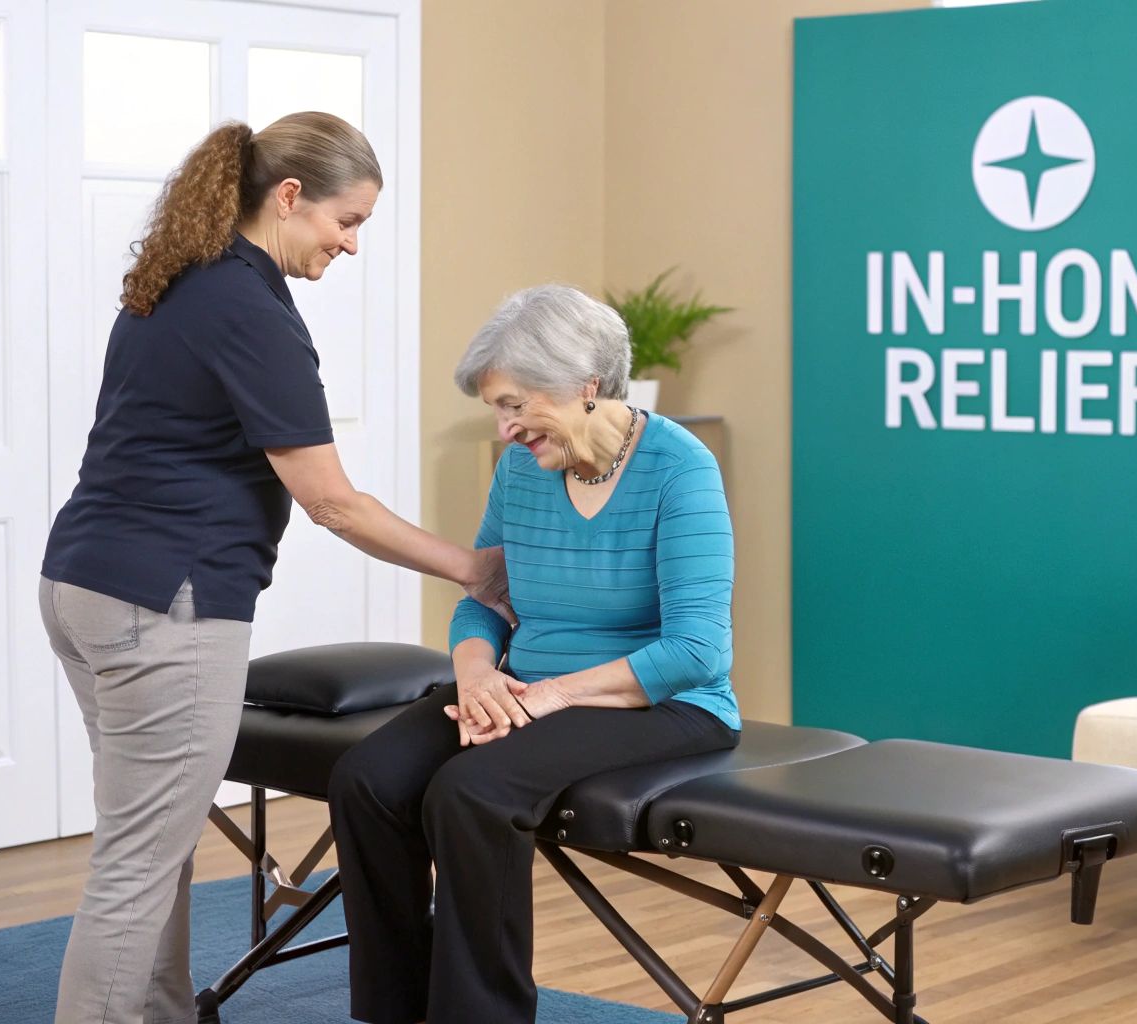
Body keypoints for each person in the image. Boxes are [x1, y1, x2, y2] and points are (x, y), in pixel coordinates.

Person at [37, 111, 511, 1024]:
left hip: (86, 586)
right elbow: (332, 500)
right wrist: (473, 570)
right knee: (140, 859)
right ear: (289, 197)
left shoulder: (184, 279)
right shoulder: (248, 309)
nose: (354, 243)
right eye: (349, 220)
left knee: (150, 845)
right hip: (165, 603)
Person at [327, 284, 742, 1023]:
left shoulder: (681, 469)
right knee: (367, 778)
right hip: (527, 686)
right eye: (495, 407)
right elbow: (484, 594)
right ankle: (397, 1009)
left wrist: (550, 696)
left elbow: (697, 649)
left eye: (516, 404)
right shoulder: (522, 471)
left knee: (470, 790)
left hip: (665, 703)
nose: (506, 425)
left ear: (587, 385)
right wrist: (479, 674)